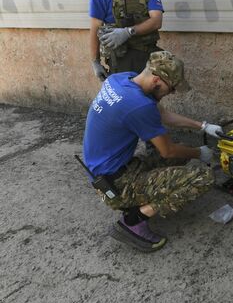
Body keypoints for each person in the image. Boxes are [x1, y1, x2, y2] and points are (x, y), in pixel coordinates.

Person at [82, 50, 224, 252]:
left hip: (108, 172)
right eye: (172, 88)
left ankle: (138, 203)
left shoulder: (122, 79)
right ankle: (133, 221)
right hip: (116, 185)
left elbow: (161, 114)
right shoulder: (138, 105)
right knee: (202, 176)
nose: (172, 93)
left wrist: (202, 125)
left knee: (179, 154)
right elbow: (168, 151)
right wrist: (199, 153)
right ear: (157, 80)